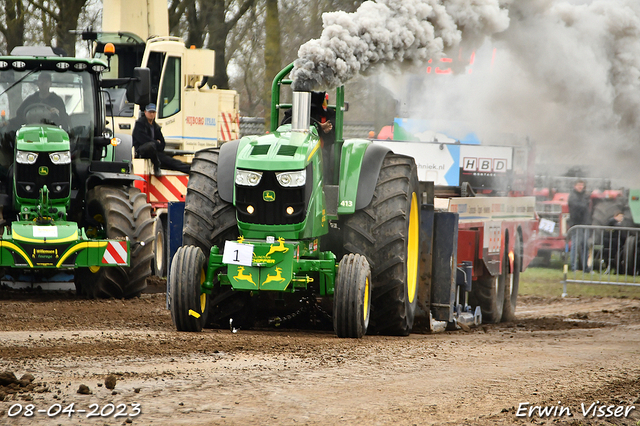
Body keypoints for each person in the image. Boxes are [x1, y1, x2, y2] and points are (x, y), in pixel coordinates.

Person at [132, 104, 190, 177]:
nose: (152, 114)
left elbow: (162, 144)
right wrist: (156, 142)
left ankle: (191, 170)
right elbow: (143, 140)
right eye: (150, 112)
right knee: (150, 146)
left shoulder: (156, 126)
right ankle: (156, 164)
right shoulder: (139, 124)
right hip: (142, 151)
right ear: (145, 112)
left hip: (155, 153)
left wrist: (156, 143)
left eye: (153, 112)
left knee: (171, 162)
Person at [568, 179, 591, 271]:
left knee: (585, 245)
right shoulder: (572, 196)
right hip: (576, 224)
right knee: (575, 245)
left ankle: (585, 267)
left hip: (585, 224)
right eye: (579, 185)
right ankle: (574, 267)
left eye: (582, 185)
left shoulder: (585, 196)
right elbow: (578, 206)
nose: (580, 187)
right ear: (575, 186)